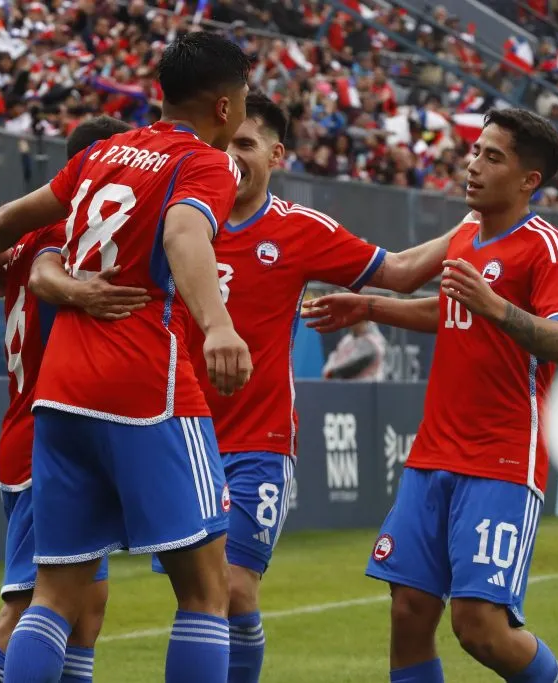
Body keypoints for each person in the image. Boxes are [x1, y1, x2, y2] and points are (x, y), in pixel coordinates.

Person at [142, 91, 467, 683]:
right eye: (226, 143)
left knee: (234, 588)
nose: (232, 156)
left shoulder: (297, 229)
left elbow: (398, 272)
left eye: (247, 144)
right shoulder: (175, 216)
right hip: (178, 436)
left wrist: (476, 221)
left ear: (276, 155)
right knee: (199, 597)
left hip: (258, 441)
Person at [0, 32, 253, 683]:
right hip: (145, 388)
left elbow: (9, 221)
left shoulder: (100, 153)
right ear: (224, 106)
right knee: (206, 589)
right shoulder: (207, 163)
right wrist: (218, 325)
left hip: (60, 393)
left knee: (53, 596)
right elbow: (183, 232)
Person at [303, 108, 558, 683]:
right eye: (476, 151)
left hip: (501, 458)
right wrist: (370, 305)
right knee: (408, 611)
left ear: (529, 180)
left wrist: (496, 306)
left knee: (480, 628)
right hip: (433, 454)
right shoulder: (464, 236)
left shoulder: (547, 248)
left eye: (492, 157)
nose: (473, 165)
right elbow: (447, 306)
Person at [0, 117, 146, 683]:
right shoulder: (73, 243)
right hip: (45, 441)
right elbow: (53, 258)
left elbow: (13, 234)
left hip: (47, 435)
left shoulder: (40, 237)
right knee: (30, 606)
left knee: (87, 609)